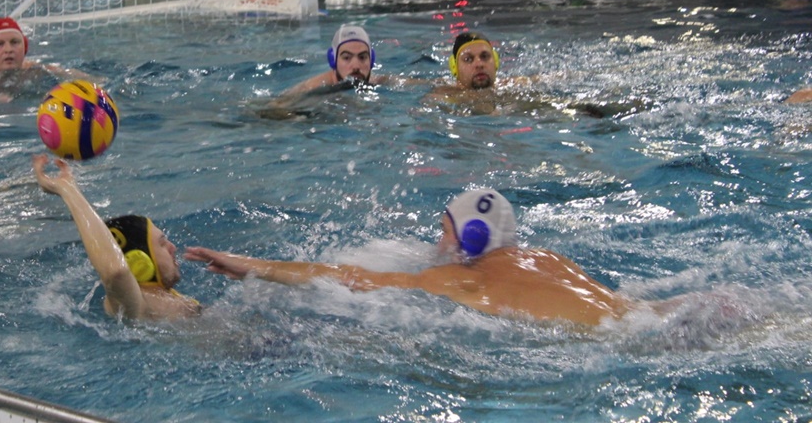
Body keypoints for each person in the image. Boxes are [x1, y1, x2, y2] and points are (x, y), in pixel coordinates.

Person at [184, 188, 634, 327]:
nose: (438, 244)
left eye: (444, 231)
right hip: (642, 314)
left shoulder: (461, 280)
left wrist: (257, 267)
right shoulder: (552, 259)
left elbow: (351, 277)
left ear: (472, 237)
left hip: (617, 341)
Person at [32, 154, 200, 321]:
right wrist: (67, 189)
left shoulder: (172, 299)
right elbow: (115, 271)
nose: (172, 247)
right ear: (139, 261)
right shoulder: (137, 305)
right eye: (162, 243)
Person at [263, 25, 382, 117]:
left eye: (362, 57)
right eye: (346, 58)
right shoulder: (313, 88)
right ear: (333, 60)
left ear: (371, 60)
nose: (355, 66)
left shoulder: (375, 81)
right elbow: (270, 109)